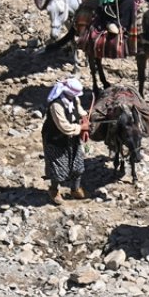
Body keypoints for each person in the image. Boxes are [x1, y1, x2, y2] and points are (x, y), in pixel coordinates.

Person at [42, 77, 88, 206]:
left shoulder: (73, 99)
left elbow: (79, 110)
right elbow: (64, 127)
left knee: (78, 165)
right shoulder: (56, 105)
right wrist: (81, 128)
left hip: (72, 139)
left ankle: (75, 189)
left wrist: (85, 118)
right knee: (58, 169)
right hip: (56, 139)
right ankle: (54, 190)